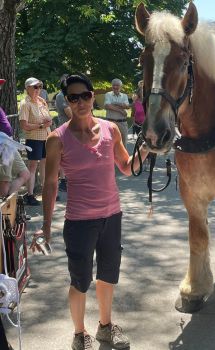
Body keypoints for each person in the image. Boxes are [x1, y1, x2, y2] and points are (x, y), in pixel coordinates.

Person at [35, 73, 149, 349]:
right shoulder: (56, 139)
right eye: (74, 98)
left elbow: (126, 167)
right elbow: (49, 185)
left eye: (85, 95)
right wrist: (46, 227)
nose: (81, 102)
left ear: (91, 96)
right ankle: (79, 333)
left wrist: (147, 148)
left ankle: (105, 326)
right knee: (81, 281)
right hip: (79, 222)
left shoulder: (111, 130)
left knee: (108, 275)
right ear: (67, 101)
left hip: (112, 216)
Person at [19, 77, 52, 205]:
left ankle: (45, 191)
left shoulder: (42, 101)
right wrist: (41, 125)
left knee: (44, 164)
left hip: (46, 137)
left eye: (40, 86)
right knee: (33, 167)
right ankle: (30, 195)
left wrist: (48, 122)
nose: (38, 89)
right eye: (35, 87)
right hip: (33, 139)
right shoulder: (25, 103)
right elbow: (24, 125)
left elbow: (47, 117)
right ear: (27, 88)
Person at [0, 78, 30, 197]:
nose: (0, 88)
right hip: (2, 147)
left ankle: (8, 206)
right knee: (4, 182)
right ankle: (5, 211)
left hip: (8, 145)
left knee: (25, 174)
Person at [55, 74, 73, 192]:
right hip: (65, 128)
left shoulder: (68, 95)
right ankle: (63, 180)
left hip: (71, 128)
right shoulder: (61, 96)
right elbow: (69, 113)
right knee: (64, 155)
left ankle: (68, 179)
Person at [104, 78, 130, 146]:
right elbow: (107, 106)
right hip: (111, 122)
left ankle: (124, 157)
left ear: (121, 86)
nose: (115, 87)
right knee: (110, 144)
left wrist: (114, 104)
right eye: (114, 85)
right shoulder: (108, 94)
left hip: (122, 123)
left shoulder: (124, 96)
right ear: (111, 86)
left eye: (117, 85)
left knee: (123, 143)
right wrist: (120, 110)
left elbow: (127, 106)